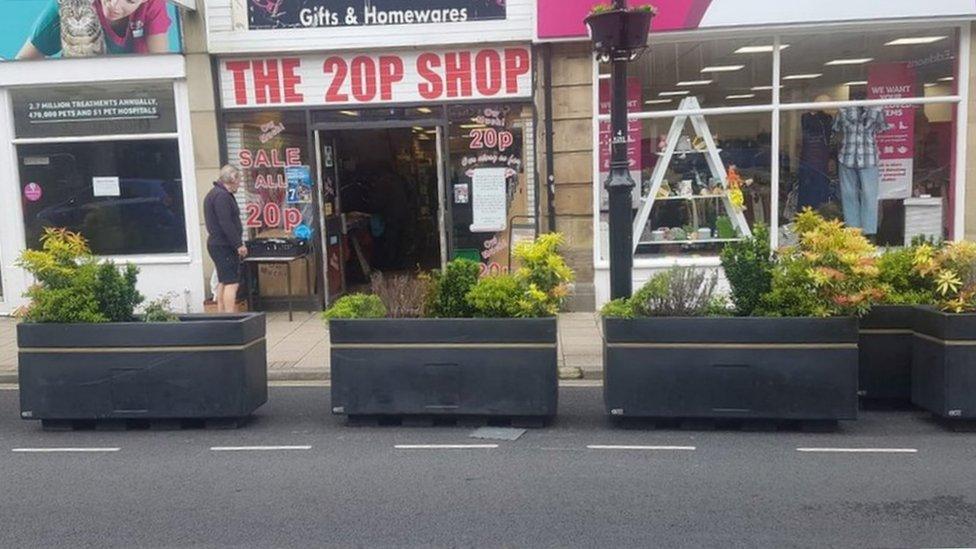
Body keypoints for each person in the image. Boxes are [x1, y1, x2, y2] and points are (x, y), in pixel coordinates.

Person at [16, 0, 172, 59]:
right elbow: (24, 63)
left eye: (130, 1)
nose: (114, 6)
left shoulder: (153, 5)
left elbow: (162, 67)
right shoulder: (71, 5)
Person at [204, 165, 247, 313]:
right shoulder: (221, 196)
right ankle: (230, 315)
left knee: (223, 280)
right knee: (232, 283)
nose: (240, 184)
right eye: (239, 180)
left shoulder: (215, 194)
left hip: (217, 244)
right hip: (224, 245)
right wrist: (238, 244)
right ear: (232, 178)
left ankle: (222, 314)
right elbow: (226, 222)